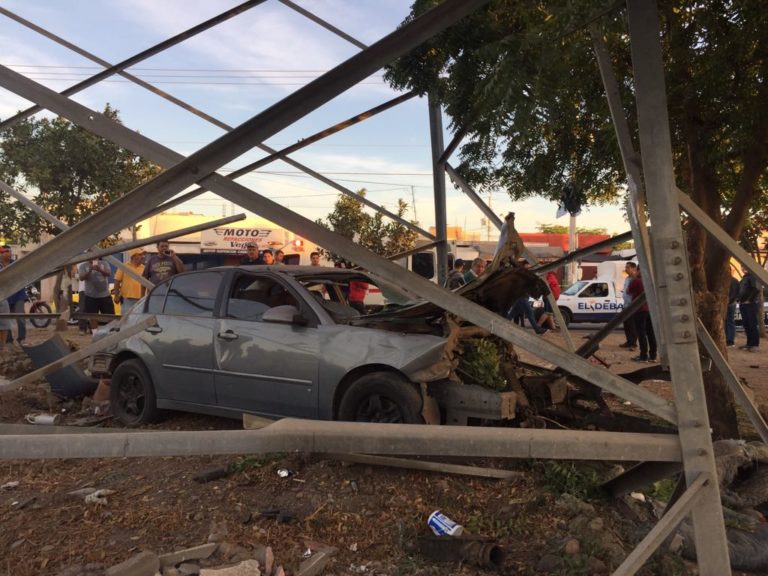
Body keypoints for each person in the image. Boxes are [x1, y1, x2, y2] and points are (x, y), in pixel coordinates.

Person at [626, 268, 657, 362]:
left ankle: (643, 356)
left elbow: (628, 291)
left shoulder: (637, 280)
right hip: (650, 310)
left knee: (641, 333)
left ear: (639, 270)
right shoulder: (652, 280)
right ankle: (653, 356)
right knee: (651, 334)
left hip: (640, 310)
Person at [78, 257, 115, 330]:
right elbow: (81, 278)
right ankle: (94, 333)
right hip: (90, 295)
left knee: (110, 315)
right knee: (93, 316)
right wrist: (90, 270)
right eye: (90, 255)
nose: (93, 257)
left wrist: (99, 269)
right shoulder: (83, 265)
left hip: (105, 295)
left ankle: (112, 331)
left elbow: (109, 274)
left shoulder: (104, 263)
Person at [1, 247, 26, 344]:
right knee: (5, 319)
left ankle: (22, 338)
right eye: (6, 251)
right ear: (1, 254)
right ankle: (8, 340)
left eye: (10, 251)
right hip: (4, 296)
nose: (9, 253)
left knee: (20, 317)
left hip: (18, 294)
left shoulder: (16, 264)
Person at [113, 248, 146, 313]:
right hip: (127, 299)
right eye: (140, 255)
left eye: (143, 255)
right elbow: (117, 281)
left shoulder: (144, 268)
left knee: (138, 320)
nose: (143, 257)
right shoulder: (123, 266)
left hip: (141, 299)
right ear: (133, 256)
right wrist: (116, 296)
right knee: (126, 319)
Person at [738, 267, 762, 352]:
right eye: (741, 267)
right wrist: (739, 300)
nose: (742, 268)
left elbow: (756, 289)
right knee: (746, 325)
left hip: (750, 304)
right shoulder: (744, 278)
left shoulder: (753, 277)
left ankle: (755, 344)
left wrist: (749, 300)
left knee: (752, 324)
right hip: (743, 304)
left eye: (744, 266)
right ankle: (749, 343)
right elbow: (741, 290)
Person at [620, 262, 638, 349]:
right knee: (626, 324)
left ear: (633, 268)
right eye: (626, 267)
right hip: (626, 304)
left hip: (632, 305)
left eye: (628, 267)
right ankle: (629, 341)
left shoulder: (634, 279)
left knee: (632, 325)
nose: (626, 269)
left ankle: (633, 343)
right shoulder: (627, 278)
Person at [725, 273, 739, 347]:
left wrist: (728, 301)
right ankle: (728, 339)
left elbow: (734, 293)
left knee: (729, 321)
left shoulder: (731, 281)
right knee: (729, 321)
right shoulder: (735, 280)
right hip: (730, 302)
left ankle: (730, 340)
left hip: (730, 303)